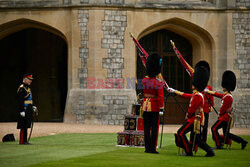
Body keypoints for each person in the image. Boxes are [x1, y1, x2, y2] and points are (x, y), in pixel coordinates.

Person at [168, 65, 215, 157]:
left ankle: (188, 151)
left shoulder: (197, 95)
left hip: (193, 119)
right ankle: (209, 151)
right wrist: (174, 91)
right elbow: (186, 95)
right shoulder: (197, 94)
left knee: (180, 132)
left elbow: (192, 108)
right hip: (196, 119)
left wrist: (188, 115)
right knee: (195, 140)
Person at [206, 70, 248, 149]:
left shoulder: (228, 97)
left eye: (224, 86)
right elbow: (218, 95)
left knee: (214, 128)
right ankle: (242, 141)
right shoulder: (226, 95)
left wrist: (220, 114)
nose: (223, 87)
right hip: (225, 117)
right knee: (226, 134)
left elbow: (224, 108)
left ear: (226, 87)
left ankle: (219, 144)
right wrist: (209, 92)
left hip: (224, 117)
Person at [141, 53, 164, 154]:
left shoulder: (144, 80)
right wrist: (161, 108)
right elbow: (160, 97)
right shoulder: (158, 82)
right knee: (154, 128)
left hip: (145, 106)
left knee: (146, 128)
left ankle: (147, 148)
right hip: (154, 106)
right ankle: (152, 148)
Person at [195, 61, 214, 143]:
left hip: (205, 108)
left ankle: (204, 140)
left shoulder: (209, 88)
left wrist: (211, 105)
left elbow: (211, 98)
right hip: (199, 108)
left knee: (205, 126)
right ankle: (198, 139)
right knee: (198, 124)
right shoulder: (198, 87)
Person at [17, 73, 38, 145]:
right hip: (24, 109)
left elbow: (29, 99)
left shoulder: (28, 88)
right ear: (25, 79)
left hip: (28, 108)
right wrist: (21, 110)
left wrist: (32, 106)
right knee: (23, 126)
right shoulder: (22, 88)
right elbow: (20, 100)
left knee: (26, 125)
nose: (30, 81)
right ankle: (22, 141)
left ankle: (25, 140)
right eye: (29, 79)